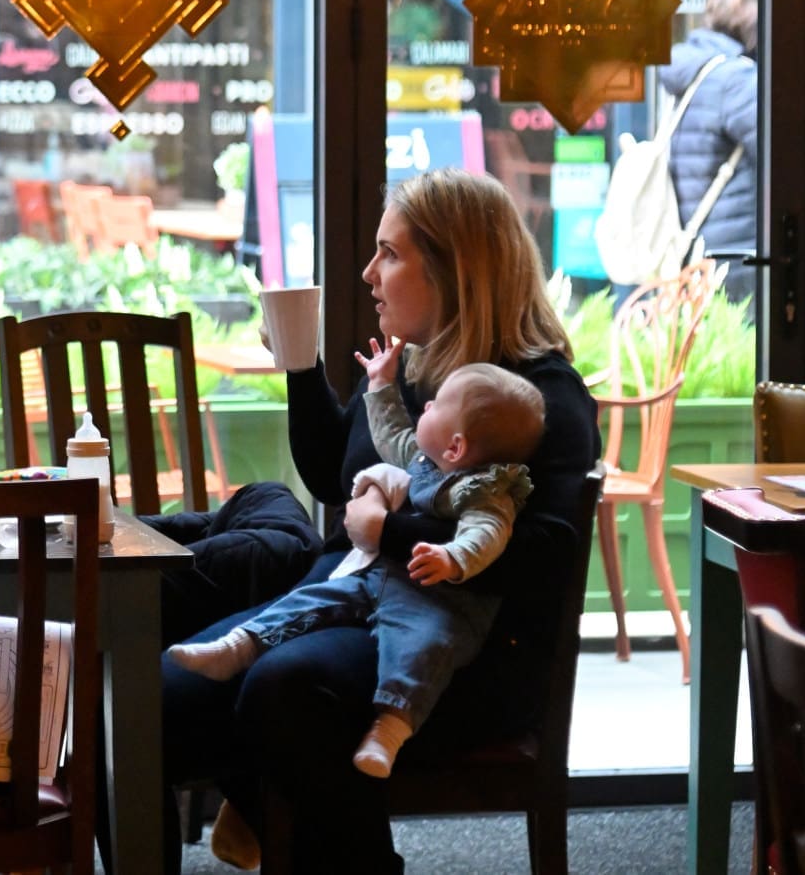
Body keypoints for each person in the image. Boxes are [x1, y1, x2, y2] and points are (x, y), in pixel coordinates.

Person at [160, 168, 600, 875]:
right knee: (152, 698)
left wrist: (386, 535)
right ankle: (284, 822)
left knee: (283, 692)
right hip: (354, 606)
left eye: (389, 253)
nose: (369, 273)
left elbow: (545, 557)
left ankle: (313, 837)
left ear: (456, 268)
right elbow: (336, 470)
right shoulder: (414, 373)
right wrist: (302, 368)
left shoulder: (539, 396)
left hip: (458, 648)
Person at [168, 336, 543, 780]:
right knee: (310, 601)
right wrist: (381, 383)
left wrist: (448, 556)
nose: (425, 407)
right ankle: (239, 645)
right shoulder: (426, 456)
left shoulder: (484, 491)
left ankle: (390, 728)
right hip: (373, 576)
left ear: (457, 447)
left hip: (439, 602)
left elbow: (490, 536)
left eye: (435, 405)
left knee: (418, 648)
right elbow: (390, 435)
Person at [660, 0, 758, 297]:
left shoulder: (695, 71)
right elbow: (785, 159)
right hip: (737, 254)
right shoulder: (737, 80)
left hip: (695, 246)